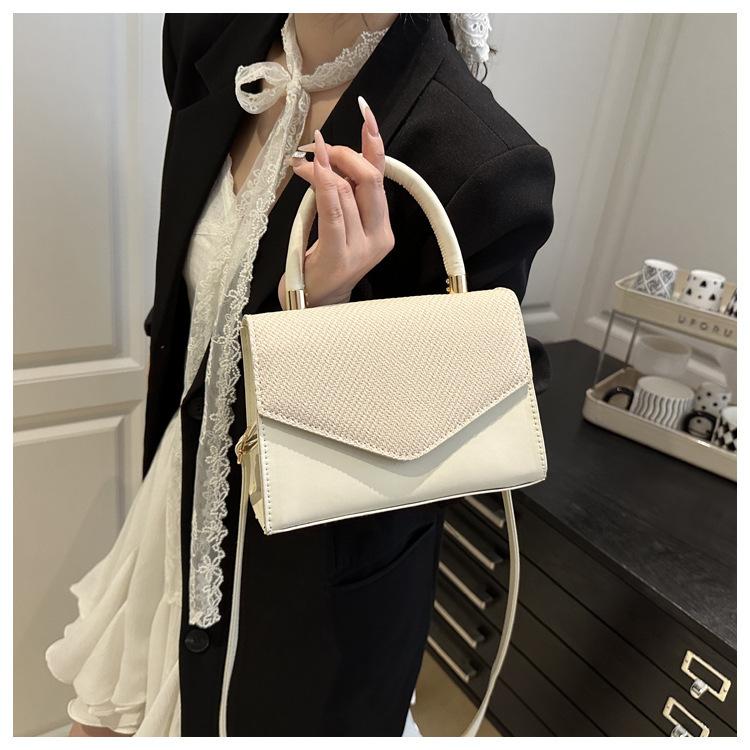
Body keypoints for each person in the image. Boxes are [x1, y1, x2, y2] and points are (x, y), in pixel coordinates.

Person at [46, 13, 554, 737]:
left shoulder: (478, 156)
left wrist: (323, 319)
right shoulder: (204, 34)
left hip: (309, 586)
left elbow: (470, 410)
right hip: (177, 491)